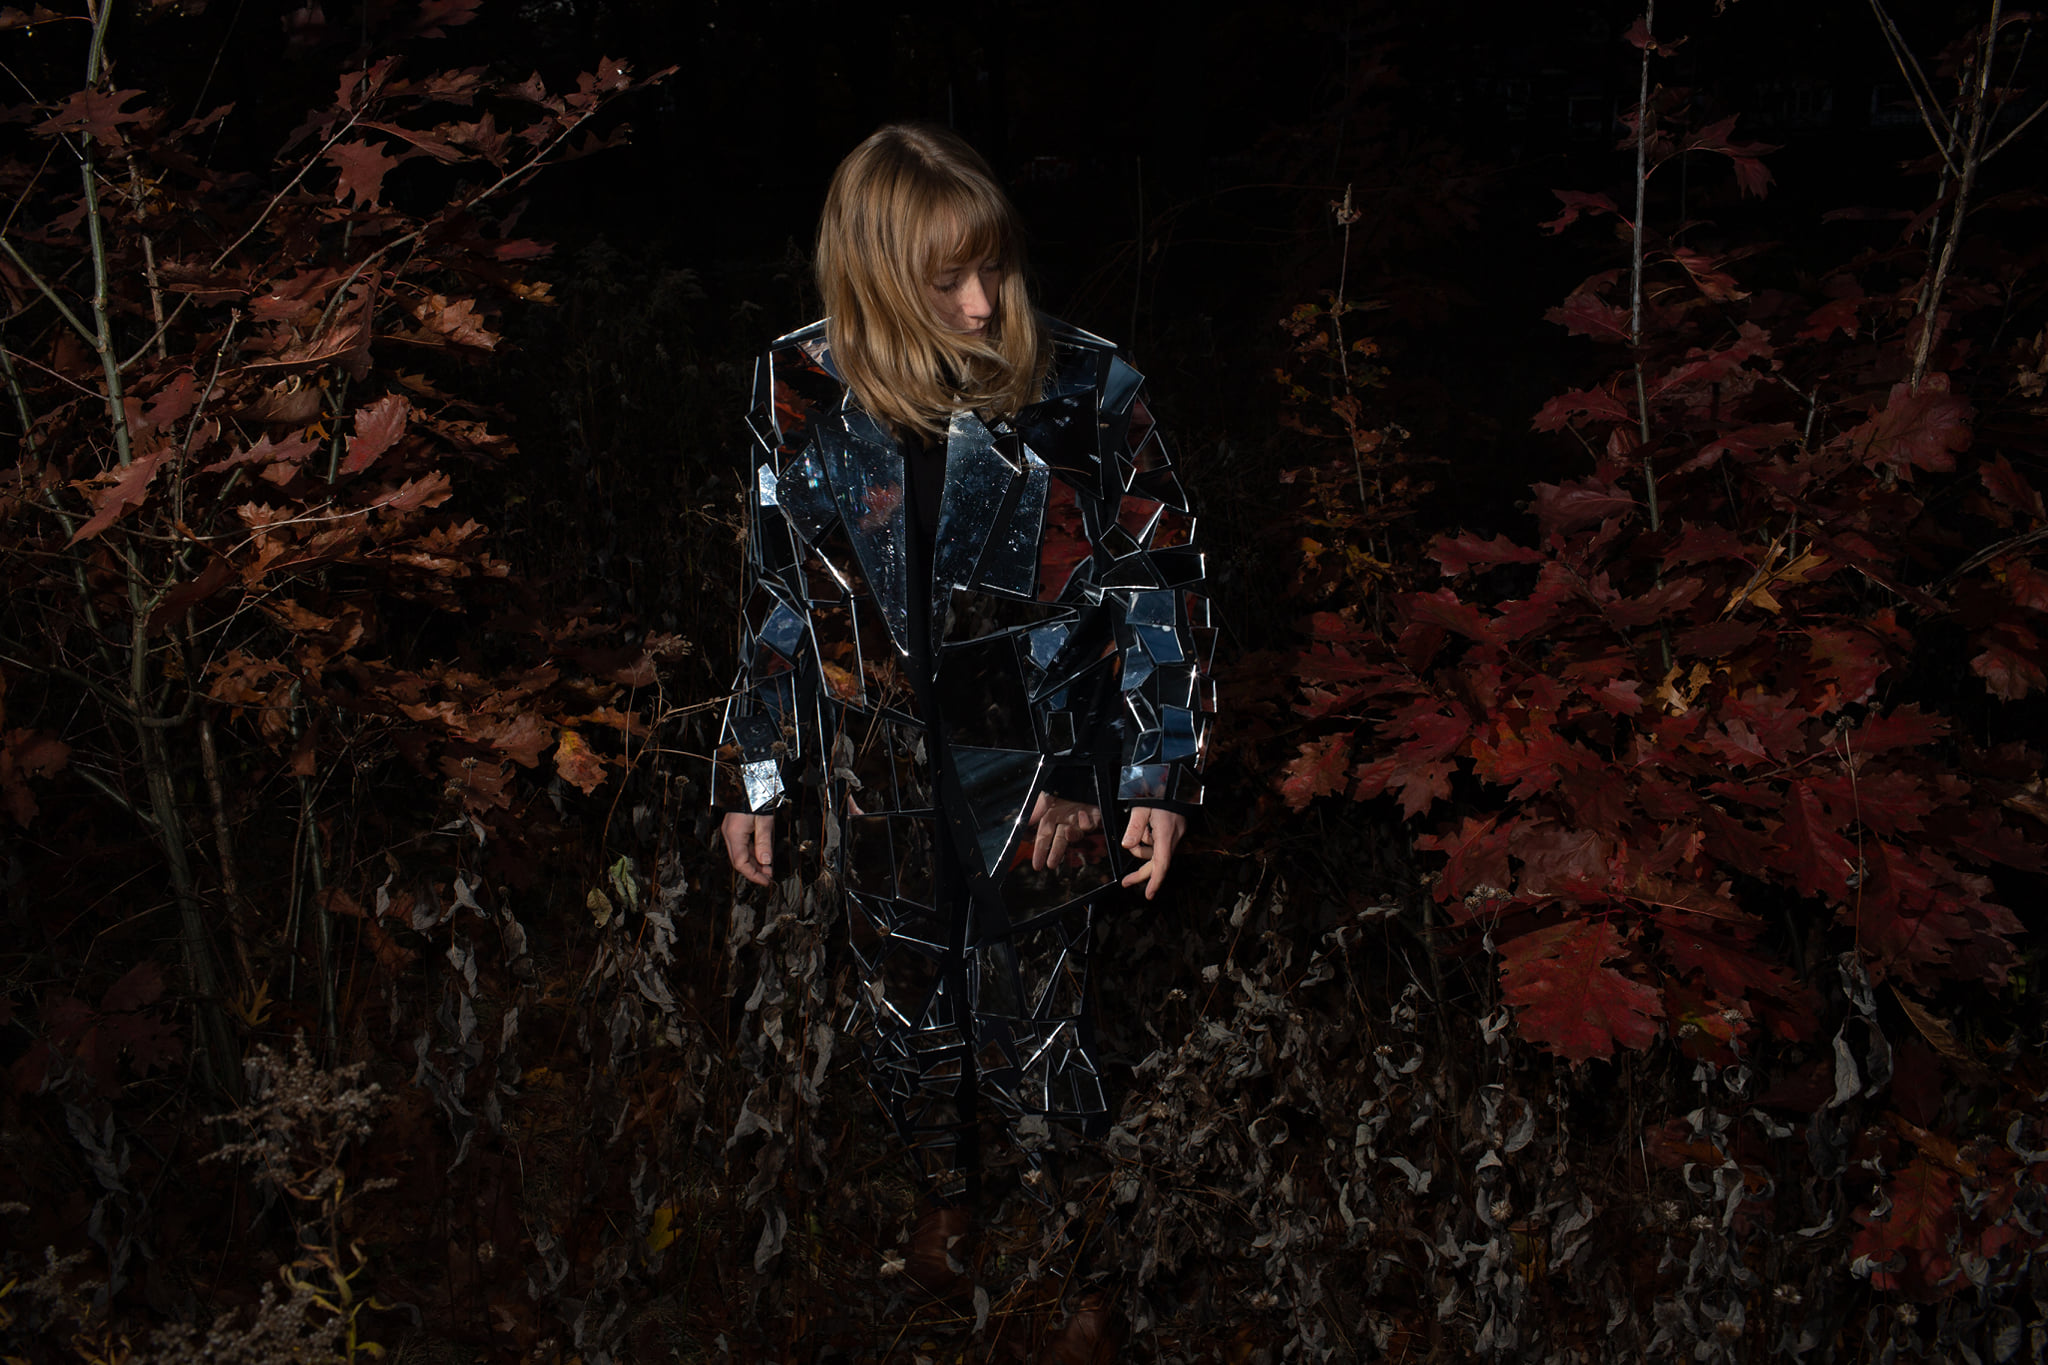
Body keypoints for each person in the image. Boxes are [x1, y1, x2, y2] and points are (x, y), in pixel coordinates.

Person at [714, 123, 1214, 1314]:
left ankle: (1075, 1262)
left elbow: (1161, 580)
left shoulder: (1084, 385)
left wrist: (1155, 773)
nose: (985, 305)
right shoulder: (799, 384)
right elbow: (780, 587)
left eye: (993, 267)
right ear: (874, 276)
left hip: (1050, 774)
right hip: (881, 772)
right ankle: (944, 1195)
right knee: (902, 1007)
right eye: (946, 281)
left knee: (1038, 1019)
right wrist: (753, 766)